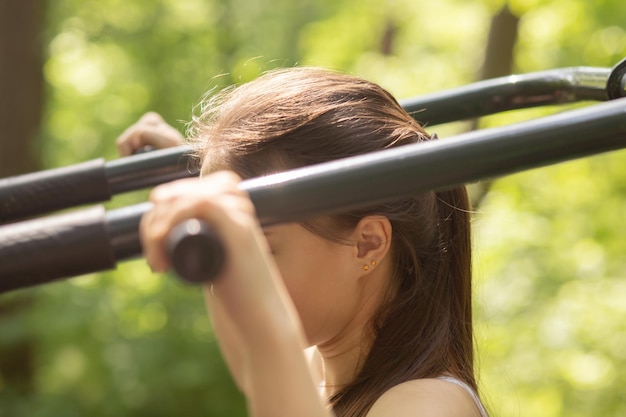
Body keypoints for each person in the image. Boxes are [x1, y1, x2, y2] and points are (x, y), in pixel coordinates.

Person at [116, 67, 488, 417]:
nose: (231, 277)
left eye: (261, 249)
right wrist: (193, 206)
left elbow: (265, 347)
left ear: (367, 244)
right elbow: (256, 362)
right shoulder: (322, 368)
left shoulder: (429, 404)